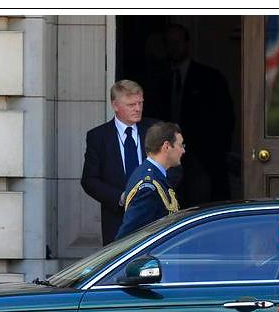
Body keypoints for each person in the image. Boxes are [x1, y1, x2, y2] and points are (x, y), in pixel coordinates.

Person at [147, 24, 235, 205]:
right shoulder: (159, 80)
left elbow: (225, 118)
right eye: (169, 43)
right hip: (167, 153)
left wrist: (219, 151)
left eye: (177, 42)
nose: (174, 47)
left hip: (203, 156)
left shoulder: (210, 78)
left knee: (204, 202)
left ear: (187, 44)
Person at [81, 80, 172, 245]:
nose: (138, 108)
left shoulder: (157, 129)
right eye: (131, 104)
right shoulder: (98, 137)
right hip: (117, 220)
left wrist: (155, 191)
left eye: (140, 103)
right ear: (115, 105)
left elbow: (174, 166)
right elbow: (90, 180)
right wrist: (121, 197)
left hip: (156, 216)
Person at [115, 122, 184, 240]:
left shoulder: (156, 175)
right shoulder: (148, 186)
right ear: (166, 146)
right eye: (181, 145)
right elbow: (127, 236)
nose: (183, 151)